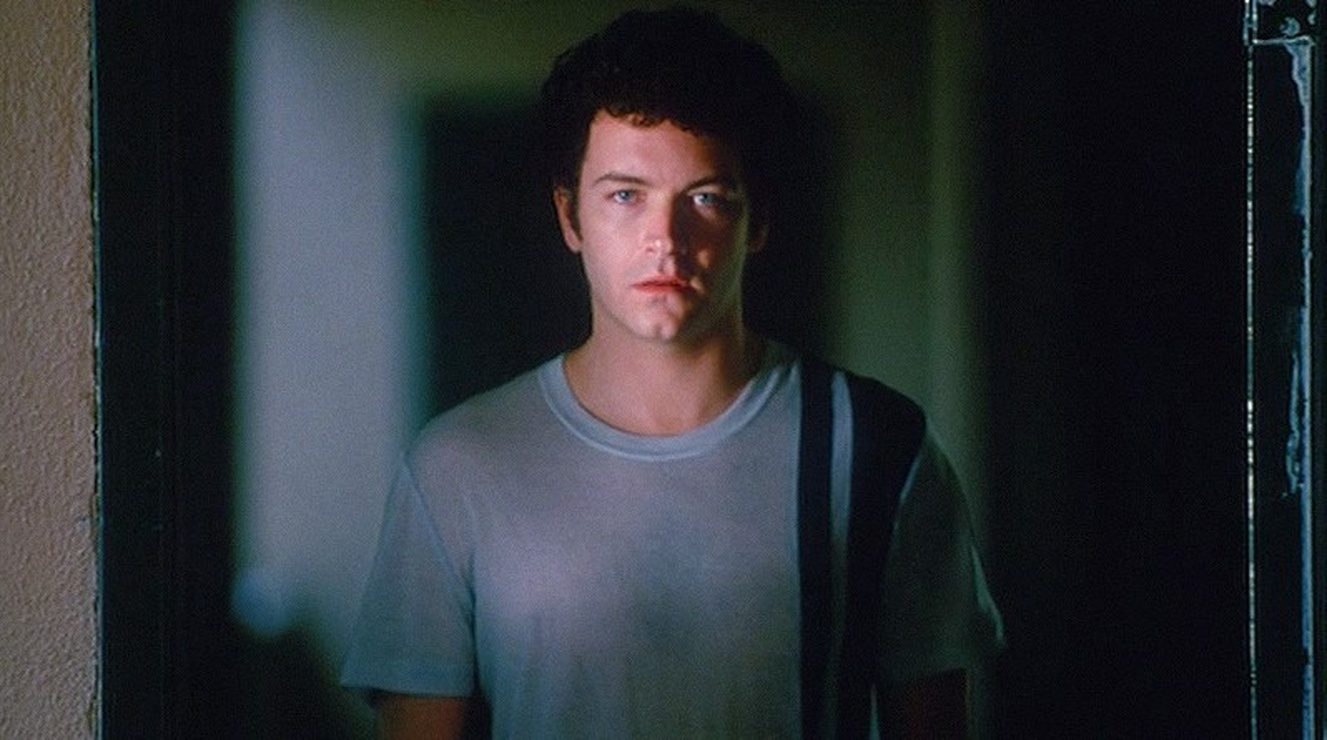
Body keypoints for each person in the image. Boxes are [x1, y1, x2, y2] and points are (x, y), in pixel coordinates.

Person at [341, 7, 1002, 738]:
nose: (665, 239)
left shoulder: (876, 447)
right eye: (625, 196)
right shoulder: (458, 469)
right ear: (571, 217)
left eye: (705, 198)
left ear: (757, 221)